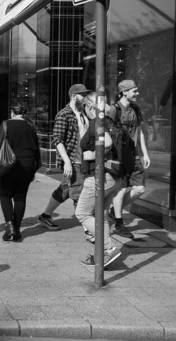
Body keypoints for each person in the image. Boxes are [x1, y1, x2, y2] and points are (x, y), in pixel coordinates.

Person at [76, 92, 122, 267]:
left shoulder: (97, 122)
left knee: (82, 213)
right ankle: (103, 254)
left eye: (84, 108)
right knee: (100, 216)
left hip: (98, 177)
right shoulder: (109, 121)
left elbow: (108, 143)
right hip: (111, 177)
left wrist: (92, 155)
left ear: (89, 106)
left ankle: (109, 249)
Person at [38, 84, 91, 234]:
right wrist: (67, 161)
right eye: (83, 95)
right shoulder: (64, 114)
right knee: (78, 193)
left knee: (66, 188)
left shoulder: (83, 113)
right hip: (73, 160)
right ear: (74, 96)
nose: (85, 98)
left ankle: (45, 216)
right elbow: (57, 139)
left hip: (84, 160)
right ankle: (89, 229)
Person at [107, 80, 151, 239]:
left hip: (134, 155)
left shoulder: (136, 109)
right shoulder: (114, 110)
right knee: (121, 189)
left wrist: (145, 153)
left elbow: (139, 132)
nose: (137, 93)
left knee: (140, 189)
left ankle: (113, 211)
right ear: (124, 92)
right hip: (119, 156)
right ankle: (119, 222)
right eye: (134, 91)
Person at [0, 101, 41, 242]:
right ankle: (17, 229)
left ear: (12, 112)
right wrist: (34, 169)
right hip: (27, 166)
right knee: (20, 198)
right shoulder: (30, 126)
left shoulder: (5, 125)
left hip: (8, 164)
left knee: (5, 195)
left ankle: (10, 226)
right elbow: (36, 149)